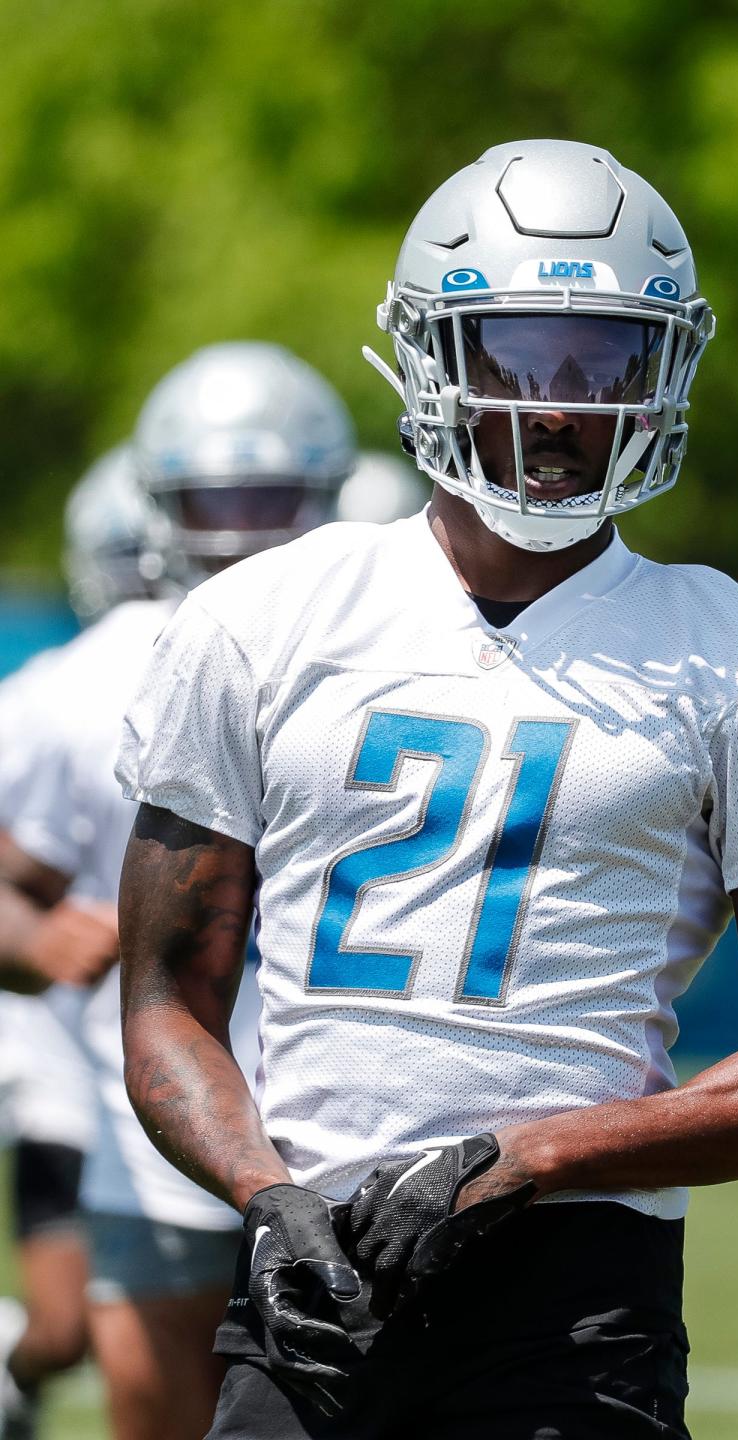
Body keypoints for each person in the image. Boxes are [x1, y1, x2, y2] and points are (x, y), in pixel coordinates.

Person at [116, 140, 738, 1440]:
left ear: (665, 372)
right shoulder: (259, 618)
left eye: (604, 363)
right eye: (518, 353)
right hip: (313, 1270)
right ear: (429, 355)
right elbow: (162, 1004)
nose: (560, 405)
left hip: (576, 1295)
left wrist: (530, 1155)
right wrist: (264, 1193)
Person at [0, 342, 356, 1440]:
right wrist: (44, 935)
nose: (242, 527)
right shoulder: (84, 683)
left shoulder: (401, 655)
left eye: (271, 495)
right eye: (215, 497)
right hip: (156, 1138)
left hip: (354, 1144)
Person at [0, 443, 150, 1440]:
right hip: (66, 1055)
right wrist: (46, 933)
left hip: (207, 1057)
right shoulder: (53, 695)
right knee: (64, 1329)